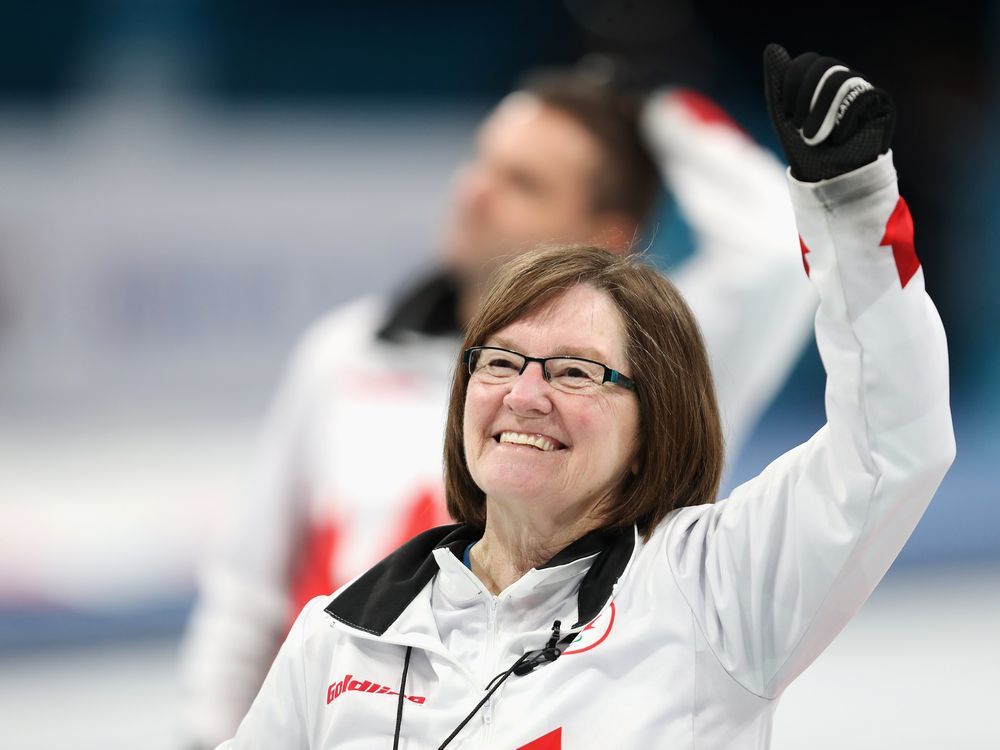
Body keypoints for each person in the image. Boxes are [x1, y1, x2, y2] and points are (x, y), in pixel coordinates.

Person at [214, 45, 955, 748]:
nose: (526, 396)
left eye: (574, 373)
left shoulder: (712, 593)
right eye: (500, 363)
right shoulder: (337, 636)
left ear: (652, 427)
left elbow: (892, 445)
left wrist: (853, 207)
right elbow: (244, 598)